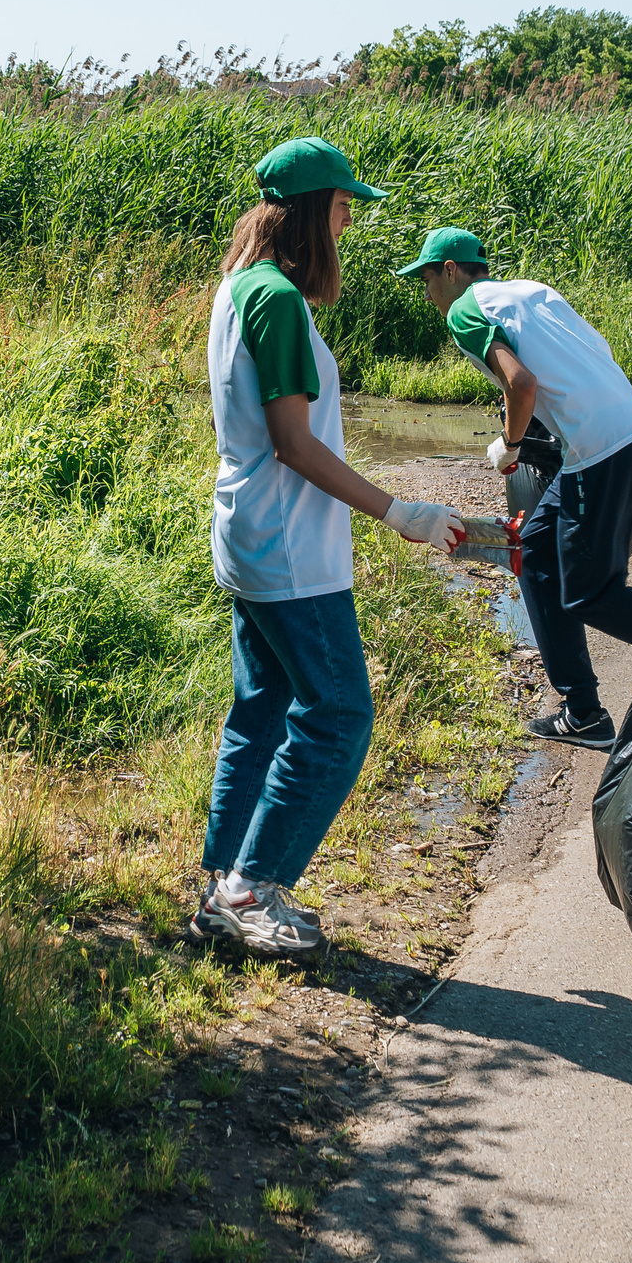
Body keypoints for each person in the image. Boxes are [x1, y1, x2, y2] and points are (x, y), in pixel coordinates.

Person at [195, 137, 465, 958]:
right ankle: (251, 888)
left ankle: (222, 886)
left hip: (251, 533)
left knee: (261, 711)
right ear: (312, 210)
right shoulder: (277, 298)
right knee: (341, 713)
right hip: (289, 548)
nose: (348, 222)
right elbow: (294, 443)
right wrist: (399, 511)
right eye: (344, 206)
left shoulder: (239, 285)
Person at [399, 227, 632, 750]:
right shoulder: (529, 290)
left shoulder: (464, 310)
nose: (427, 294)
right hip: (625, 429)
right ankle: (582, 712)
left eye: (427, 280)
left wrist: (511, 444)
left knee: (592, 594)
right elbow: (596, 351)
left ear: (450, 270)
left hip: (599, 448)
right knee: (536, 551)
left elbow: (521, 384)